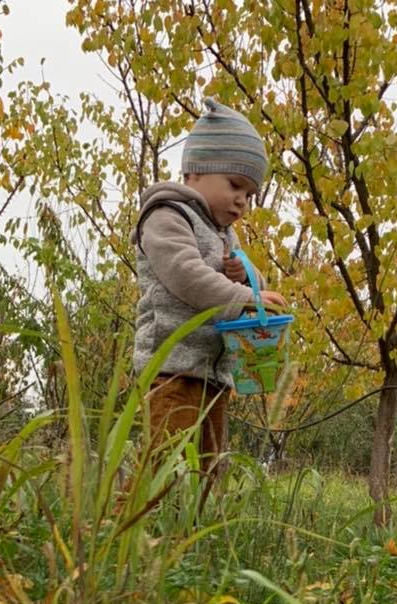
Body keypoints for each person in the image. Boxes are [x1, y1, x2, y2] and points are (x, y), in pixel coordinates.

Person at [132, 97, 286, 490]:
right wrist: (243, 298)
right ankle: (125, 535)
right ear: (196, 170)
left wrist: (247, 280)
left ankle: (195, 543)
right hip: (173, 369)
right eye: (236, 185)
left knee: (208, 475)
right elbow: (185, 275)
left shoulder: (224, 235)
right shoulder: (167, 216)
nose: (242, 201)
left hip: (216, 374)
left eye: (250, 194)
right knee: (162, 466)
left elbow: (249, 288)